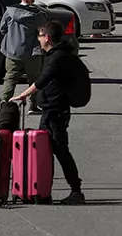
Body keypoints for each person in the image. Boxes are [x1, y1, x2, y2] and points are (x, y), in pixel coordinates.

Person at [9, 21, 85, 205]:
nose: (39, 39)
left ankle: (76, 191)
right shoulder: (55, 54)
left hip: (56, 111)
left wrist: (23, 95)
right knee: (44, 150)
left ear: (47, 37)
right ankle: (42, 190)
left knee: (60, 150)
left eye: (40, 36)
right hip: (50, 110)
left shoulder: (58, 57)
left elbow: (44, 79)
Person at [0, 0, 46, 111]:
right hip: (32, 52)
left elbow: (3, 29)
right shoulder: (37, 14)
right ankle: (33, 105)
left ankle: (5, 102)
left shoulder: (9, 11)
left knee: (10, 78)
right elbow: (43, 29)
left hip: (12, 51)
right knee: (34, 80)